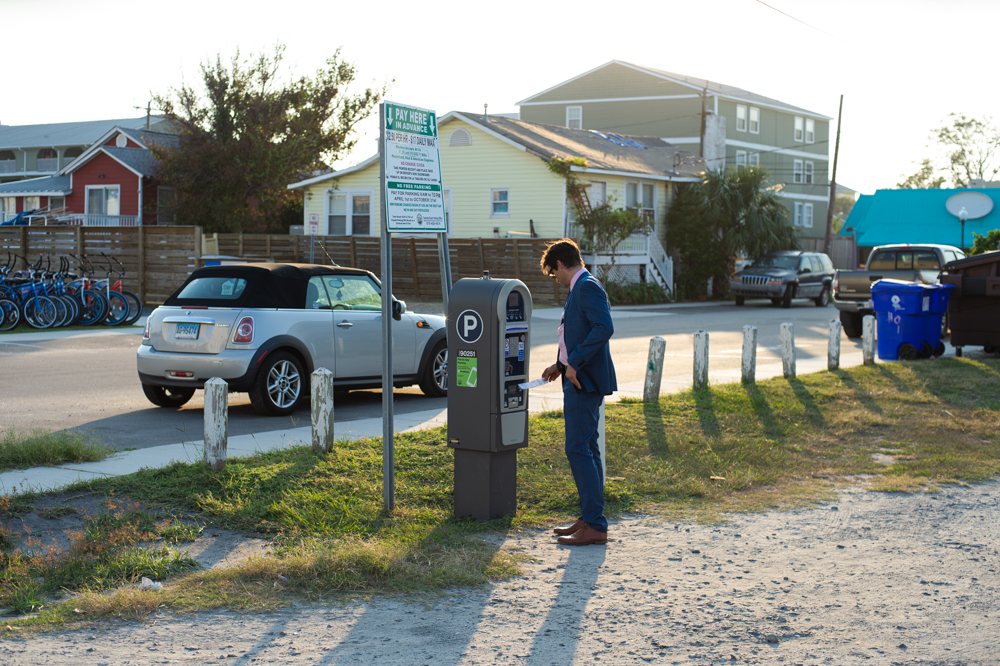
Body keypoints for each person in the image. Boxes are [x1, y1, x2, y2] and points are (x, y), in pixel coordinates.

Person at [540, 239, 617, 546]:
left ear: (559, 264)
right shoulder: (581, 286)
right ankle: (590, 519)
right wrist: (560, 364)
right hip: (575, 375)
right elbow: (580, 331)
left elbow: (603, 327)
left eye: (552, 273)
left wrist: (574, 363)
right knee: (587, 447)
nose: (554, 280)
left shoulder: (586, 286)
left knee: (577, 448)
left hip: (583, 381)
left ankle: (595, 524)